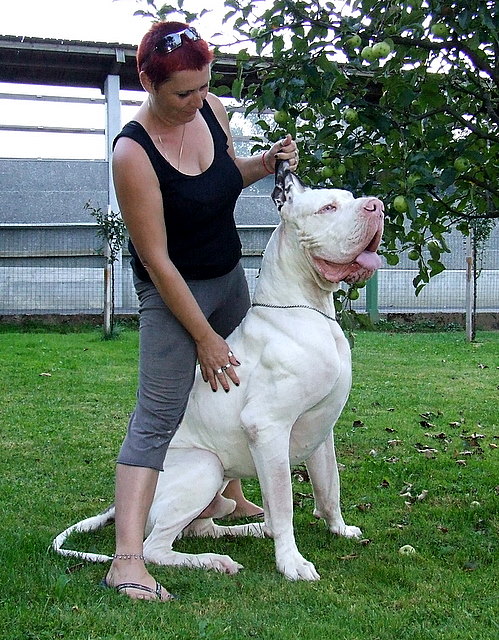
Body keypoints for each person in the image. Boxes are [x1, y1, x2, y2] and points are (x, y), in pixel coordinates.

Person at [104, 21, 299, 601]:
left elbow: (222, 180)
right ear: (148, 82)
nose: (196, 101)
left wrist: (264, 162)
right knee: (158, 414)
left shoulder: (211, 109)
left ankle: (228, 498)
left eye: (204, 87)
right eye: (182, 93)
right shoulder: (132, 153)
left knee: (236, 390)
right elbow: (157, 260)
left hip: (228, 279)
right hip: (172, 291)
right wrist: (204, 338)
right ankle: (128, 559)